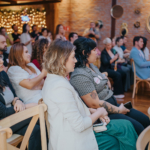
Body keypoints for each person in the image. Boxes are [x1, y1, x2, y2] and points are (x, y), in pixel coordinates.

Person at [42, 39, 137, 150]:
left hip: (73, 131)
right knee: (120, 135)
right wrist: (99, 112)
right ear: (62, 60)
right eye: (73, 57)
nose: (76, 60)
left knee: (126, 126)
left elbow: (71, 109)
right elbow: (79, 125)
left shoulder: (56, 80)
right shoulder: (59, 87)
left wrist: (93, 111)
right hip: (72, 141)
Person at [70, 37, 150, 135]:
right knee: (138, 128)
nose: (97, 53)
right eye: (94, 50)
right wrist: (119, 110)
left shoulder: (92, 66)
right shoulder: (80, 75)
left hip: (113, 105)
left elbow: (99, 77)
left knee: (145, 120)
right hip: (105, 113)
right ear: (84, 53)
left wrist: (105, 77)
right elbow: (94, 103)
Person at [0, 54, 42, 150]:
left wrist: (18, 101)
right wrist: (27, 106)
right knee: (40, 115)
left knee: (36, 130)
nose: (2, 61)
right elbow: (3, 112)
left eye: (1, 57)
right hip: (2, 123)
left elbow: (15, 95)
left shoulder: (2, 74)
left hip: (12, 117)